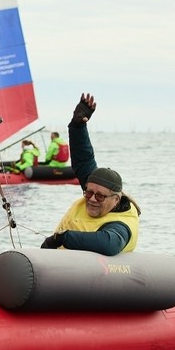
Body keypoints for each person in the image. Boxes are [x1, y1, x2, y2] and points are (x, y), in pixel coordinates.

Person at [40, 93, 140, 255]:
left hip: (83, 268)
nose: (92, 199)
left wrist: (62, 238)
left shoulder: (122, 223)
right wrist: (77, 126)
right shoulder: (96, 187)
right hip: (55, 259)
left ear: (116, 199)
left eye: (100, 196)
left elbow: (109, 245)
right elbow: (83, 160)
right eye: (88, 193)